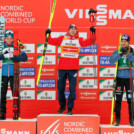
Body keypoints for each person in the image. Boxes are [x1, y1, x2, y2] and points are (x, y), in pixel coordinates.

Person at [45, 24, 96, 115]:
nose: (73, 30)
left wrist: (93, 32)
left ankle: (69, 108)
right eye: (71, 29)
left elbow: (91, 41)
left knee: (72, 89)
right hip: (62, 67)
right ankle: (62, 105)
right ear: (68, 30)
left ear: (76, 31)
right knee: (60, 88)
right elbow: (50, 41)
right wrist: (47, 34)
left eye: (74, 29)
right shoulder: (62, 38)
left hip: (73, 68)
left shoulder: (79, 40)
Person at [0, 29, 28, 120]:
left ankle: (16, 113)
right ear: (4, 39)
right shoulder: (1, 47)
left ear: (12, 39)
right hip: (3, 74)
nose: (8, 40)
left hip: (13, 73)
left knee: (15, 94)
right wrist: (4, 56)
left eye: (10, 38)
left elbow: (25, 57)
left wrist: (14, 57)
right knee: (2, 94)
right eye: (7, 38)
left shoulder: (16, 46)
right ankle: (2, 114)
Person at [109, 34, 134, 126]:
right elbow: (111, 61)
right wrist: (120, 54)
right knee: (118, 100)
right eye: (122, 41)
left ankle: (132, 120)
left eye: (125, 41)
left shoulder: (132, 51)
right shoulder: (117, 51)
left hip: (129, 79)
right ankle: (117, 119)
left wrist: (127, 54)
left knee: (130, 100)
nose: (123, 43)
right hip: (119, 79)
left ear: (128, 42)